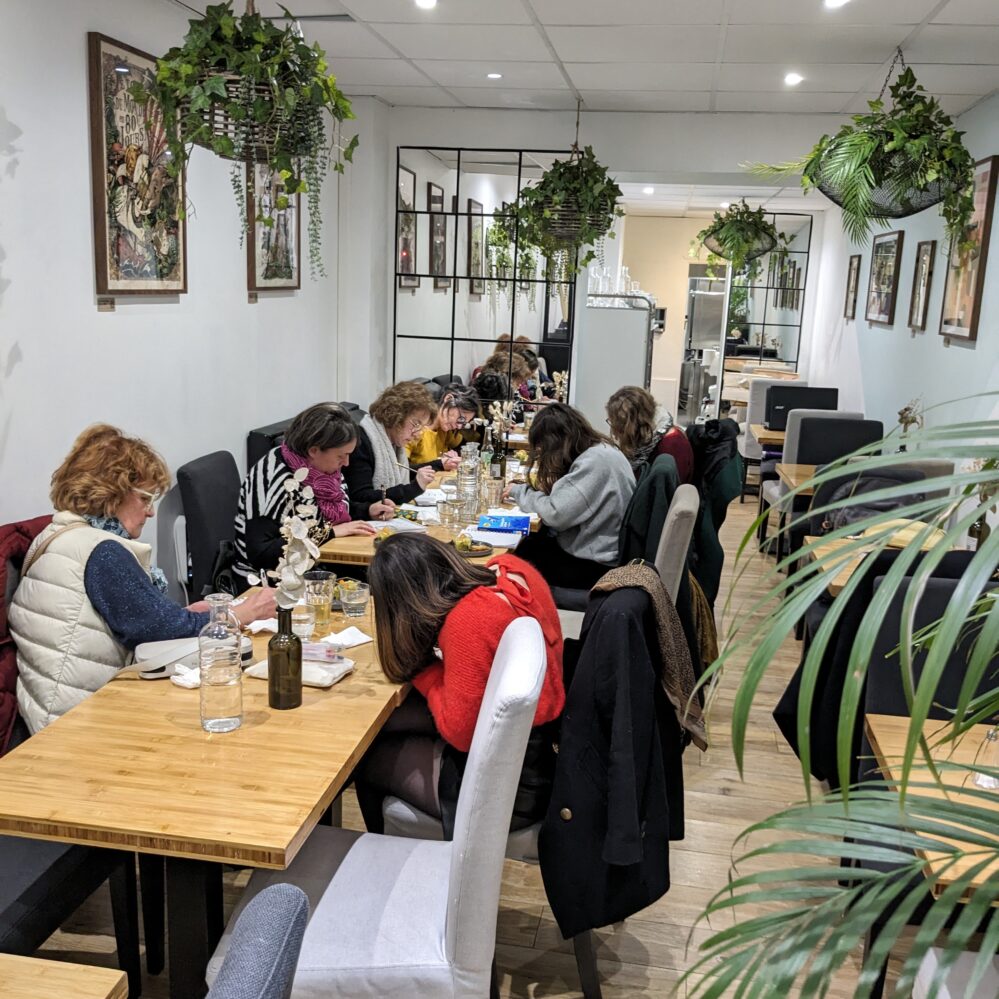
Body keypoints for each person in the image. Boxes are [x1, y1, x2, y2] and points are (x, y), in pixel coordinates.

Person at [8, 424, 277, 733]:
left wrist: (184, 615)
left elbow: (144, 618)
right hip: (79, 723)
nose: (150, 513)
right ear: (113, 492)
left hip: (57, 709)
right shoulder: (102, 552)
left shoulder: (62, 534)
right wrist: (241, 614)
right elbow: (154, 629)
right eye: (146, 498)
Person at [355, 533, 565, 836]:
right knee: (386, 722)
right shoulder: (511, 568)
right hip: (545, 748)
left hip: (514, 785)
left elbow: (460, 733)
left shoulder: (466, 621)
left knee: (367, 759)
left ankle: (393, 860)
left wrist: (425, 671)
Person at [233, 404, 392, 585]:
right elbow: (262, 553)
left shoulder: (322, 470)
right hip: (274, 581)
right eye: (341, 456)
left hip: (319, 565)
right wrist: (328, 533)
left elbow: (323, 512)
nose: (346, 463)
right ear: (314, 450)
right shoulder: (274, 479)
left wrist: (367, 510)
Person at [504, 403, 636, 589]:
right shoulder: (601, 450)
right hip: (601, 551)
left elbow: (555, 513)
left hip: (593, 565)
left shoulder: (594, 462)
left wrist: (520, 492)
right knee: (531, 543)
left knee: (515, 557)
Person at [344, 381, 437, 510]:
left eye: (421, 427)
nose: (418, 434)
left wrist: (437, 465)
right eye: (416, 424)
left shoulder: (392, 442)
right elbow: (361, 496)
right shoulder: (362, 442)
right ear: (395, 415)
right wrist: (415, 488)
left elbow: (402, 470)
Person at [606, 385, 695, 484]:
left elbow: (664, 493)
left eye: (616, 424)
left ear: (630, 425)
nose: (613, 431)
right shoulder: (647, 441)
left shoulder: (672, 446)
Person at [406, 382, 480, 472]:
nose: (459, 426)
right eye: (461, 418)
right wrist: (440, 464)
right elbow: (403, 470)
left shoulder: (445, 429)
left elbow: (461, 446)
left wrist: (452, 455)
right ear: (448, 398)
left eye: (464, 423)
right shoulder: (415, 430)